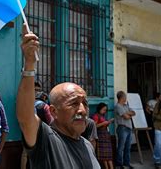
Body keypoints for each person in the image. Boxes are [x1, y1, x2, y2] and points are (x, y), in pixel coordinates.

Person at [16, 24, 100, 168]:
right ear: (54, 111)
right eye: (74, 103)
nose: (82, 110)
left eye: (84, 103)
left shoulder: (87, 145)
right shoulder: (46, 140)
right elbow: (26, 117)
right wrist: (29, 64)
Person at [114, 90, 136, 169]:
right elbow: (126, 117)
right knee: (121, 147)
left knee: (128, 147)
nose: (126, 98)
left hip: (129, 128)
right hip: (122, 128)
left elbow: (134, 112)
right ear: (122, 97)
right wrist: (128, 114)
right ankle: (119, 164)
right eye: (125, 96)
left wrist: (128, 113)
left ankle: (127, 163)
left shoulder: (126, 106)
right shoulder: (118, 106)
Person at [92, 103, 114, 169]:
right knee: (104, 155)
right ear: (99, 109)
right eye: (103, 109)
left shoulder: (103, 116)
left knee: (108, 155)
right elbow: (95, 126)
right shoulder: (96, 116)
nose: (105, 111)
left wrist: (108, 123)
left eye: (106, 110)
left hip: (106, 135)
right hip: (101, 135)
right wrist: (103, 123)